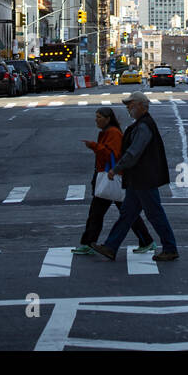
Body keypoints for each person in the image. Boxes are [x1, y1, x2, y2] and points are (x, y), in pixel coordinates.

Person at [89, 92, 179, 262]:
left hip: (144, 178)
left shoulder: (144, 126)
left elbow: (133, 152)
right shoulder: (141, 124)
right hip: (138, 179)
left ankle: (170, 248)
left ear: (141, 105)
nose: (128, 108)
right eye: (127, 105)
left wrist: (116, 169)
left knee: (154, 214)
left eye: (131, 105)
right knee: (127, 214)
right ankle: (110, 247)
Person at [72, 108, 155, 256]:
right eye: (96, 117)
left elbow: (113, 154)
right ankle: (89, 243)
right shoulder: (108, 132)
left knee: (124, 214)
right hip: (107, 177)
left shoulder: (113, 133)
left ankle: (147, 240)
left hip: (112, 178)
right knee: (99, 213)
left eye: (99, 117)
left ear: (108, 118)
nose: (96, 120)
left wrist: (94, 146)